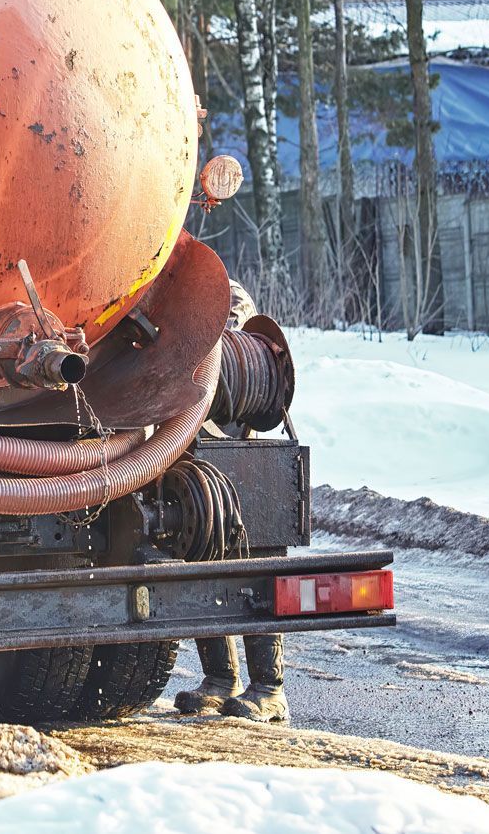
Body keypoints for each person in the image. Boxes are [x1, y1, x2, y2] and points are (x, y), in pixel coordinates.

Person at [175, 278, 289, 724]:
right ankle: (220, 679)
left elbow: (235, 330)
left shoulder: (223, 291)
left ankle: (270, 689)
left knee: (254, 564)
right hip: (187, 443)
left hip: (236, 444)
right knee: (202, 560)